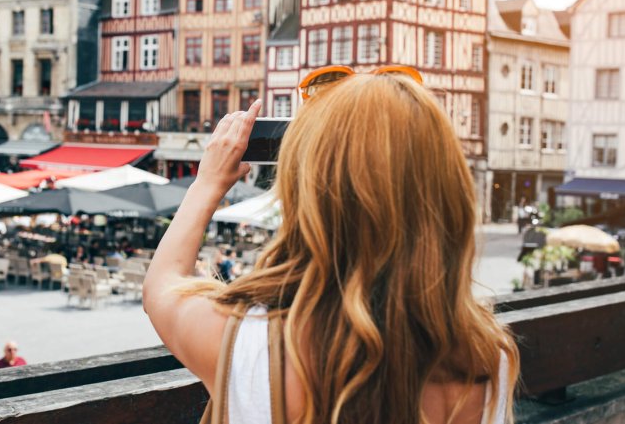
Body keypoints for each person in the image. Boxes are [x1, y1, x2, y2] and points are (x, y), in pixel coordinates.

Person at [143, 75, 519, 424]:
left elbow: (162, 284)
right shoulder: (487, 358)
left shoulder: (250, 344)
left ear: (306, 192)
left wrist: (207, 183)